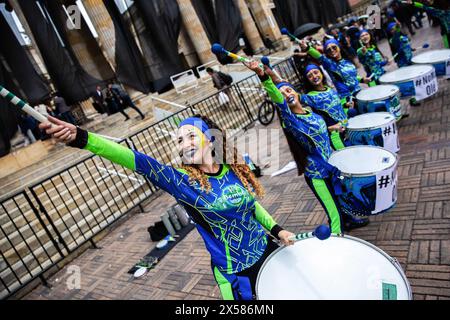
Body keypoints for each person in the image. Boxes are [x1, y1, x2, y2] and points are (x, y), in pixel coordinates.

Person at [39, 114, 295, 301]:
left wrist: (278, 230)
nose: (184, 145)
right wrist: (83, 138)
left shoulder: (234, 168)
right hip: (235, 274)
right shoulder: (182, 182)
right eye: (180, 141)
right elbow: (136, 160)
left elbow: (251, 209)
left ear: (211, 139)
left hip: (268, 252)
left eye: (191, 136)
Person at [244, 60, 369, 235]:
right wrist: (262, 75)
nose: (287, 94)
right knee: (334, 218)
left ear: (295, 91)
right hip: (317, 175)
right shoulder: (291, 120)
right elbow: (278, 97)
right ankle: (337, 243)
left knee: (341, 201)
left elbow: (318, 130)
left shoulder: (310, 111)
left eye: (289, 89)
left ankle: (348, 221)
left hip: (330, 167)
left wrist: (332, 128)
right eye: (282, 94)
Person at [299, 38, 369, 116]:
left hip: (359, 93)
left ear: (339, 47)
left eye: (334, 47)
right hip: (347, 99)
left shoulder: (347, 61)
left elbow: (353, 77)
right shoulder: (330, 64)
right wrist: (308, 48)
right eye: (328, 50)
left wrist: (363, 79)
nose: (332, 50)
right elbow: (320, 57)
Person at [300, 64, 348, 151]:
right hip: (336, 135)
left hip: (348, 128)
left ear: (321, 73)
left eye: (316, 72)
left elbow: (338, 108)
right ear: (307, 80)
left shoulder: (330, 89)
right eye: (310, 76)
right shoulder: (309, 97)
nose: (314, 76)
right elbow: (292, 97)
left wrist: (346, 105)